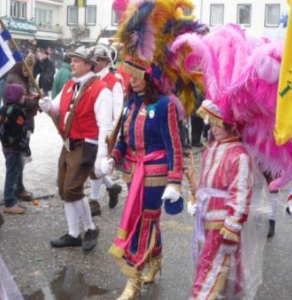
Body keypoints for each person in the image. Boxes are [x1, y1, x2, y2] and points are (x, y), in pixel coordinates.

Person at [100, 57, 184, 300]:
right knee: (149, 220)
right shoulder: (130, 103)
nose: (132, 80)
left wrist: (174, 181)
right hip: (132, 171)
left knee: (143, 222)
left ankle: (133, 278)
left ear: (150, 79)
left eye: (137, 76)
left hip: (155, 174)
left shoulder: (164, 105)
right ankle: (156, 261)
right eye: (131, 76)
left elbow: (174, 146)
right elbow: (123, 140)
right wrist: (114, 158)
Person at [186, 99, 269, 300]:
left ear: (231, 125)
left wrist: (232, 225)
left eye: (218, 123)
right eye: (211, 122)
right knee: (212, 268)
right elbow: (207, 185)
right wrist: (195, 191)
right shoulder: (211, 148)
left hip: (222, 225)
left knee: (209, 271)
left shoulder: (239, 155)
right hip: (207, 219)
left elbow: (241, 194)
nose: (213, 128)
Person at [38, 46, 112, 252]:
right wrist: (47, 107)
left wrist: (101, 157)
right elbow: (57, 108)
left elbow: (105, 126)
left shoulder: (101, 90)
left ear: (89, 65)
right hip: (69, 142)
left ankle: (90, 228)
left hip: (87, 144)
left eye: (76, 61)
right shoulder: (70, 84)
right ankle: (73, 234)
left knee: (72, 188)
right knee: (64, 189)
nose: (72, 63)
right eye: (72, 60)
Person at [88, 44, 123, 216]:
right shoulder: (91, 78)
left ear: (103, 61)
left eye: (95, 59)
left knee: (96, 164)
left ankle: (94, 200)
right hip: (88, 128)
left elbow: (118, 113)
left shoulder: (113, 82)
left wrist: (113, 136)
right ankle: (112, 187)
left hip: (104, 130)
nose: (92, 63)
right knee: (91, 164)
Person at [4, 52, 38, 201]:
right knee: (16, 160)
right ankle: (12, 195)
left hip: (20, 124)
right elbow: (18, 101)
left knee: (19, 160)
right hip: (17, 126)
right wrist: (36, 102)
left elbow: (24, 96)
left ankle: (18, 188)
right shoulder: (15, 79)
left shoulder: (20, 77)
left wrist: (32, 96)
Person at [0, 84, 30, 214]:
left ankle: (12, 199)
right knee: (12, 174)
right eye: (22, 95)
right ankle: (9, 202)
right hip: (16, 148)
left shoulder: (4, 109)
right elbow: (22, 132)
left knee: (13, 172)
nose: (24, 97)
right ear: (17, 96)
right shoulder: (18, 111)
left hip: (6, 147)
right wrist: (27, 150)